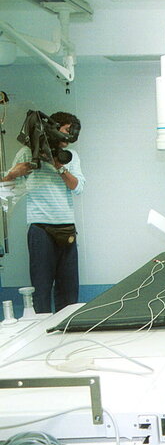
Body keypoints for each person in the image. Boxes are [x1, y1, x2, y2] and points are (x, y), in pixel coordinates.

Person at [2, 111, 85, 314]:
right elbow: (7, 189)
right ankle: (42, 329)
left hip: (66, 227)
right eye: (67, 130)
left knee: (69, 291)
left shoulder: (71, 157)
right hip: (40, 228)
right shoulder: (27, 152)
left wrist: (59, 166)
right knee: (41, 288)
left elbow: (78, 187)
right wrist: (13, 173)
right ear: (54, 128)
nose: (70, 137)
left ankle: (67, 328)